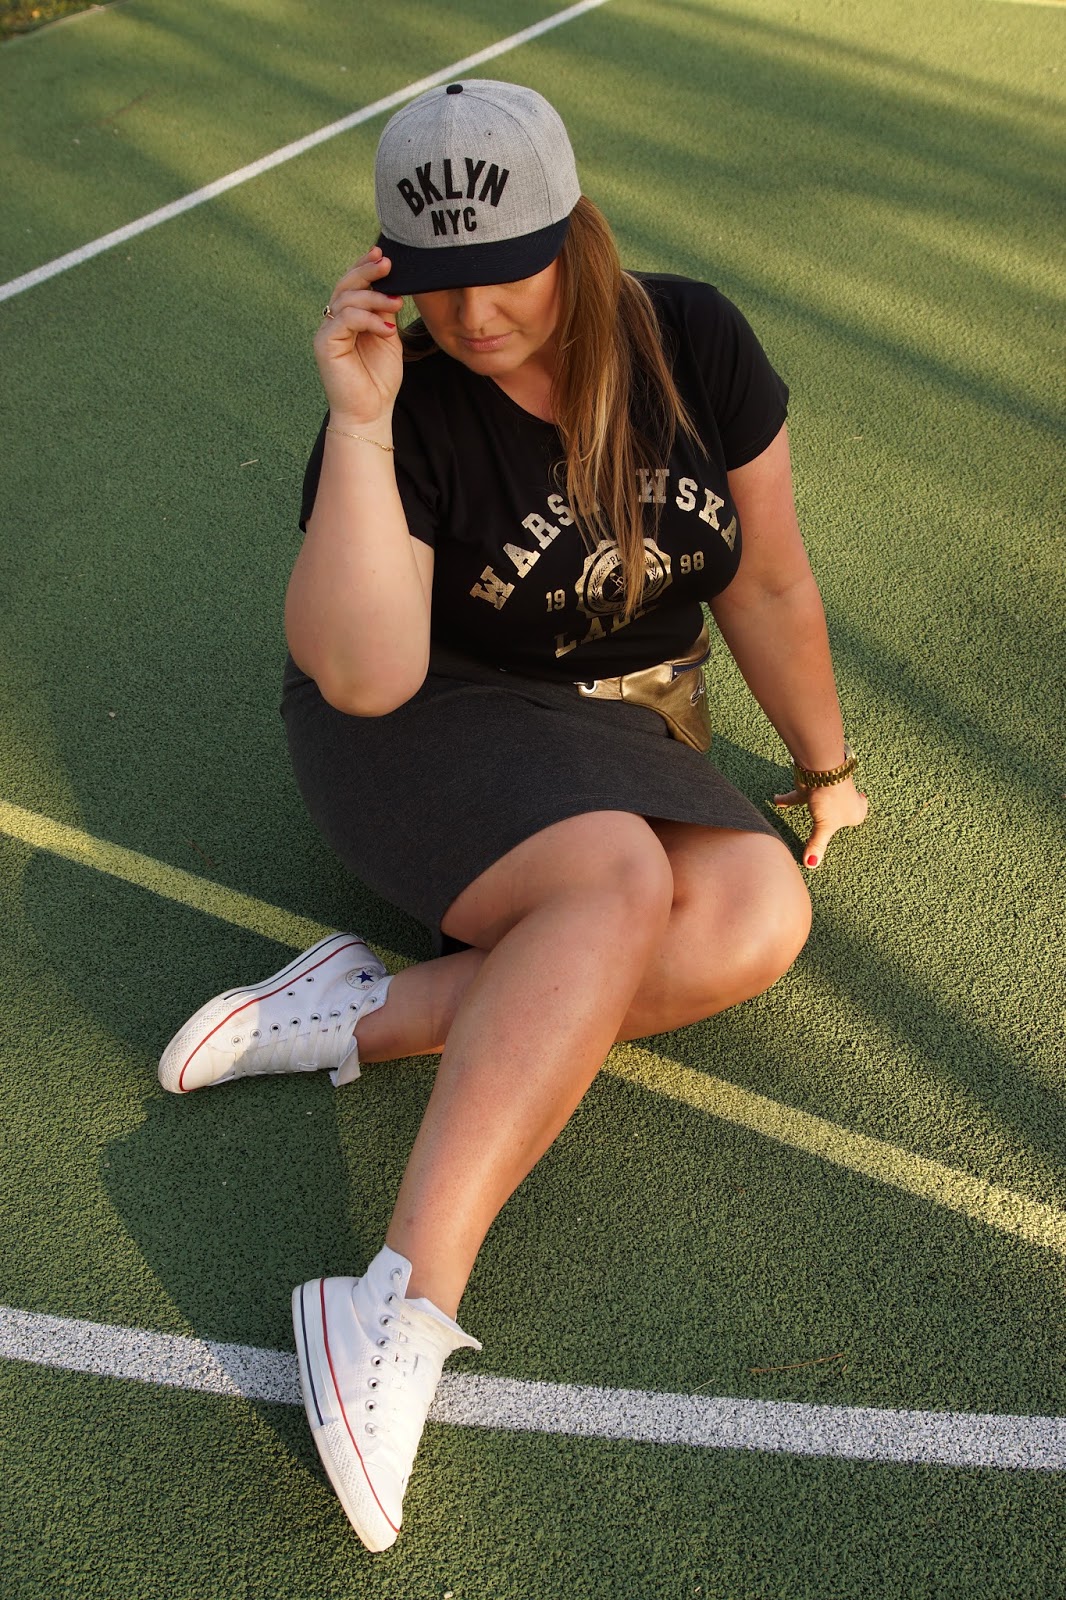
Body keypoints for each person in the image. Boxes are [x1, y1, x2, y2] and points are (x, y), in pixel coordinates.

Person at [159, 80, 868, 1552]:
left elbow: (765, 577)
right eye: (434, 279)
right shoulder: (405, 400)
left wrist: (826, 764)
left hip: (611, 722)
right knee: (611, 882)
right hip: (424, 715)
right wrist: (358, 422)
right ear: (387, 267)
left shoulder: (693, 343)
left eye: (505, 270)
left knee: (758, 916)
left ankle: (372, 1010)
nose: (472, 314)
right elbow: (362, 675)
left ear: (571, 234)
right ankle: (395, 1302)